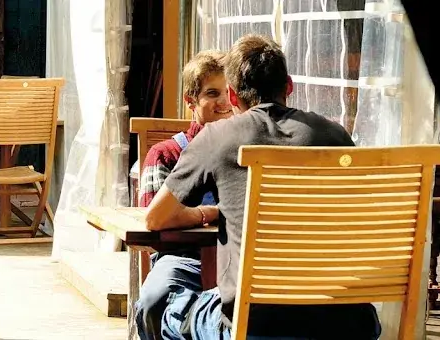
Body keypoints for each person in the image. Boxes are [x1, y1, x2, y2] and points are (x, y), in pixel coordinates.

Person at [139, 34, 380, 339]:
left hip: (259, 325)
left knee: (164, 307)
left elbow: (155, 218)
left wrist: (208, 213)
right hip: (349, 323)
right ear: (289, 86)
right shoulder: (335, 136)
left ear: (233, 95)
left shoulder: (218, 137)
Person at [137, 50, 233, 207]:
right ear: (190, 100)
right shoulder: (165, 156)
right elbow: (152, 219)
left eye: (230, 92)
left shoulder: (246, 151)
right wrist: (208, 214)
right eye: (212, 93)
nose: (225, 101)